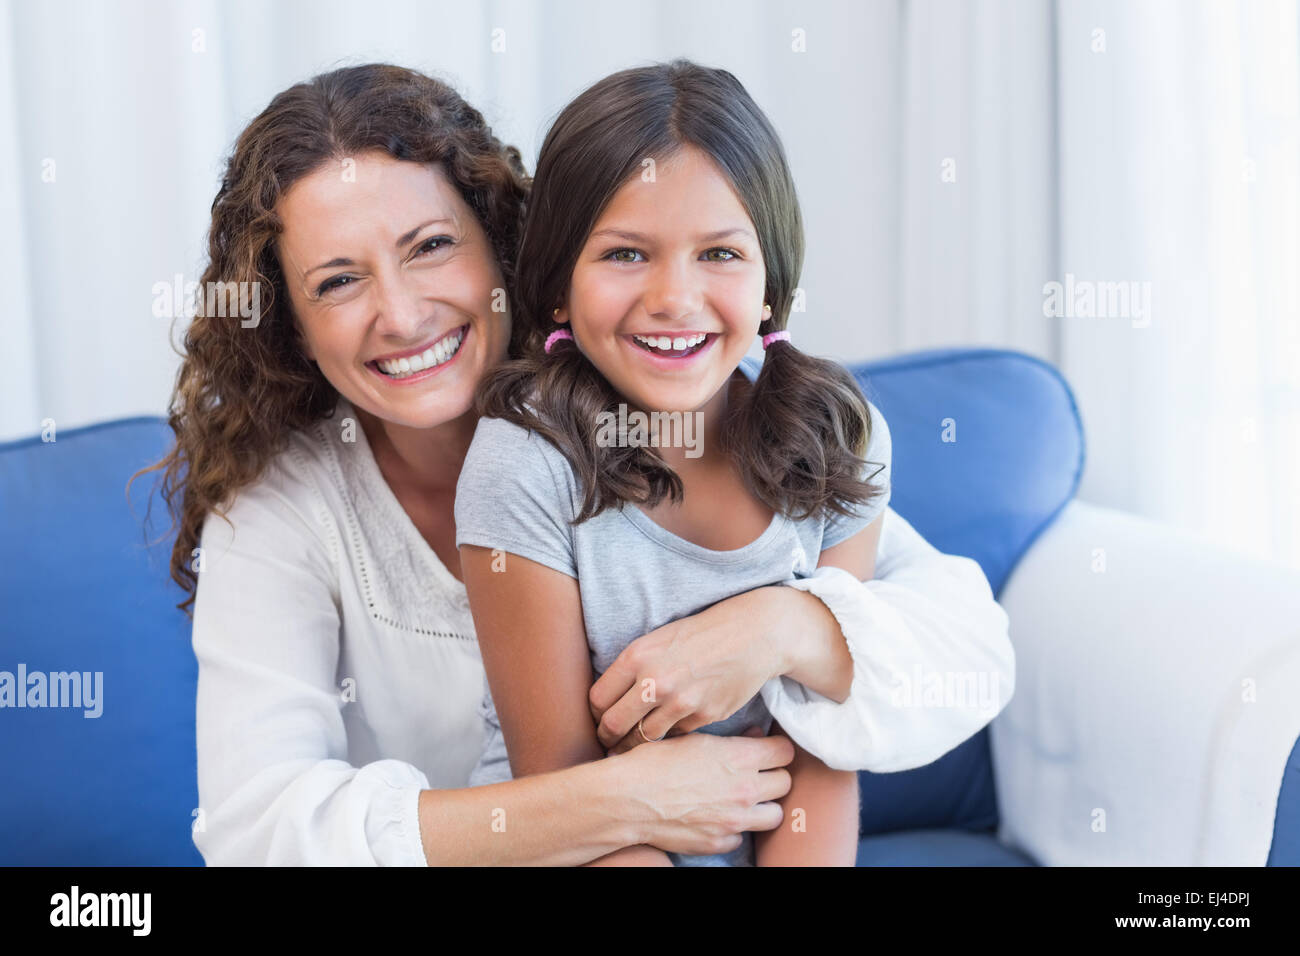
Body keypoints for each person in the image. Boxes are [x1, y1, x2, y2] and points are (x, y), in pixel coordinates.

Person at [141, 62, 1014, 866]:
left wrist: (786, 627)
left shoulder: (707, 411)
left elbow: (968, 657)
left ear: (509, 248)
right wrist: (613, 802)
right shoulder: (281, 512)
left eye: (430, 246)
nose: (403, 315)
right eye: (338, 281)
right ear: (289, 320)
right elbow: (255, 829)